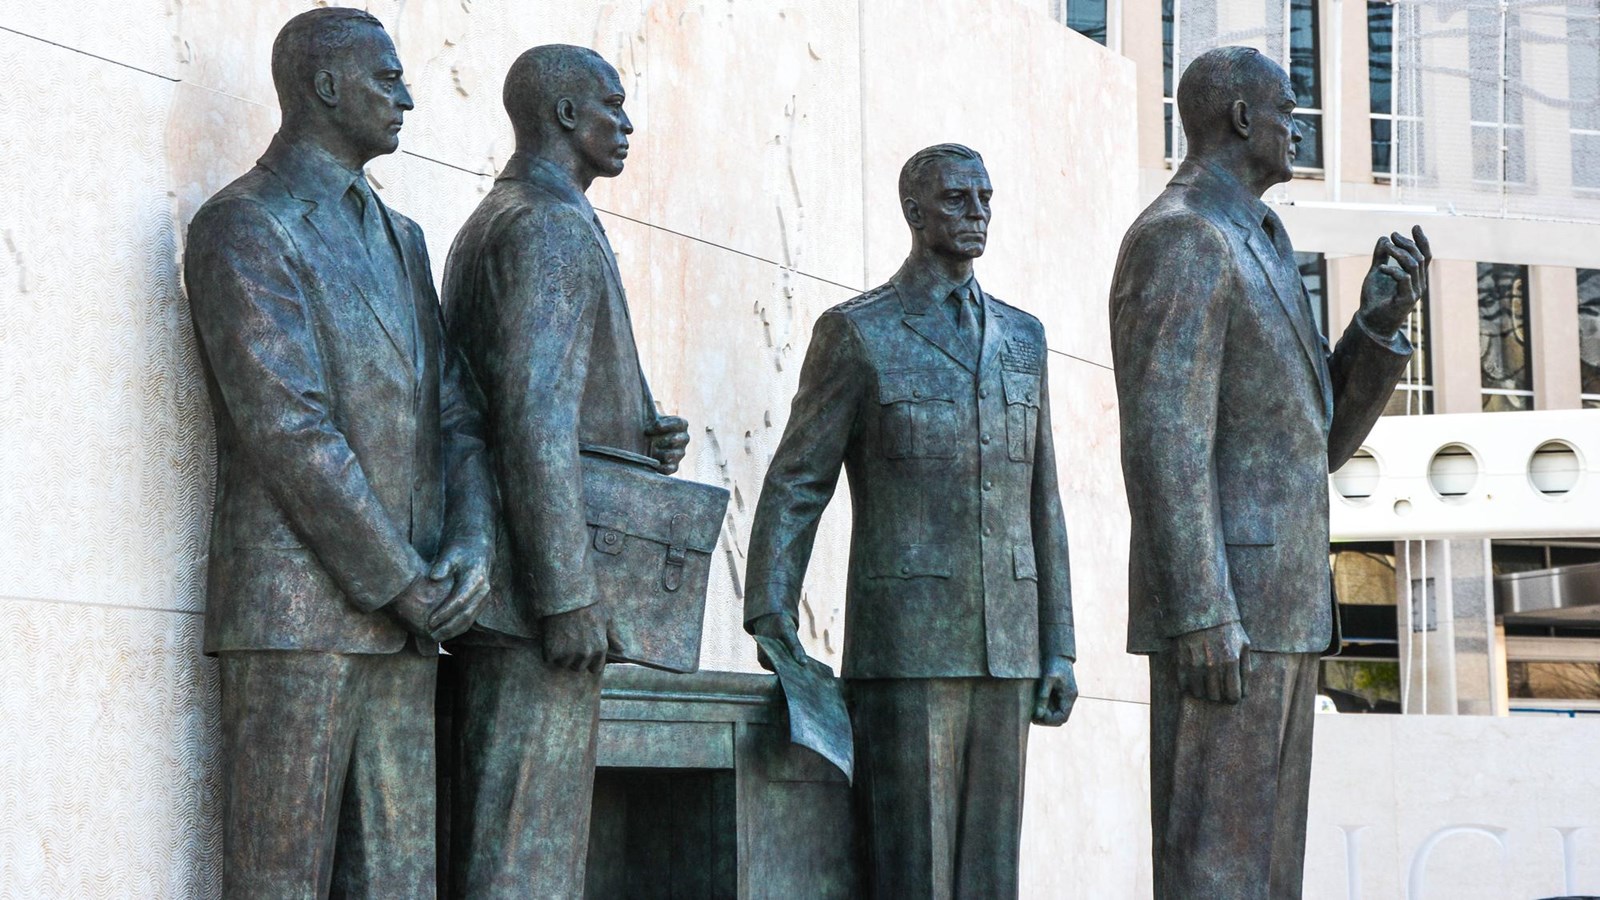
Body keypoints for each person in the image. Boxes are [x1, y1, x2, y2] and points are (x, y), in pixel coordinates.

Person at [183, 7, 493, 896]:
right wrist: (399, 579)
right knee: (279, 878)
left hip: (410, 618)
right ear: (325, 87)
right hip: (298, 615)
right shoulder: (244, 224)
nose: (408, 98)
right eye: (387, 79)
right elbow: (286, 426)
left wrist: (469, 542)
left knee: (398, 880)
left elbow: (455, 409)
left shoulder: (403, 239)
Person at [1110, 45, 1431, 899]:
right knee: (1216, 867)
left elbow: (1313, 441)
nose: (1300, 123)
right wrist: (1201, 611)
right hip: (1230, 619)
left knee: (1265, 873)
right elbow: (1164, 442)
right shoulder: (1183, 236)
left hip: (1282, 608)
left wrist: (1376, 327)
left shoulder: (1261, 237)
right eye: (1289, 107)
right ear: (1243, 118)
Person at [744, 143, 1076, 899]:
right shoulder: (860, 333)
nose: (978, 213)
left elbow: (1042, 499)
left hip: (1009, 648)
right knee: (913, 875)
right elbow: (799, 478)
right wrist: (770, 607)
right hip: (906, 647)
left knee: (991, 877)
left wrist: (1059, 644)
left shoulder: (1024, 338)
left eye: (986, 198)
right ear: (914, 212)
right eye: (959, 199)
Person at [439, 44, 690, 898]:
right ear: (567, 117)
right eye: (613, 108)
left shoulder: (506, 218)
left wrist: (636, 430)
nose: (627, 126)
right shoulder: (545, 224)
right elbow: (531, 419)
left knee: (516, 840)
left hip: (517, 593)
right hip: (533, 603)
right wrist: (567, 592)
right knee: (523, 857)